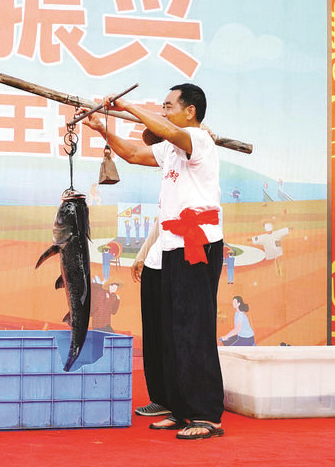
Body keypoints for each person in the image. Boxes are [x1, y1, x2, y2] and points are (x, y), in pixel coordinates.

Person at [79, 83, 224, 440]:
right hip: (172, 245)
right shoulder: (171, 150)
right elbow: (131, 153)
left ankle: (206, 414)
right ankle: (179, 407)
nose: (163, 110)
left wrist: (127, 106)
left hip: (197, 244)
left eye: (169, 105)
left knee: (193, 328)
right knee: (173, 330)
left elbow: (169, 131)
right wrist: (103, 129)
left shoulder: (198, 139)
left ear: (190, 111)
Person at [131, 219, 171, 418]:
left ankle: (176, 399)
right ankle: (161, 399)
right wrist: (142, 256)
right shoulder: (166, 201)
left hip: (175, 270)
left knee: (171, 336)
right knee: (153, 336)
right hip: (154, 267)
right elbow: (159, 225)